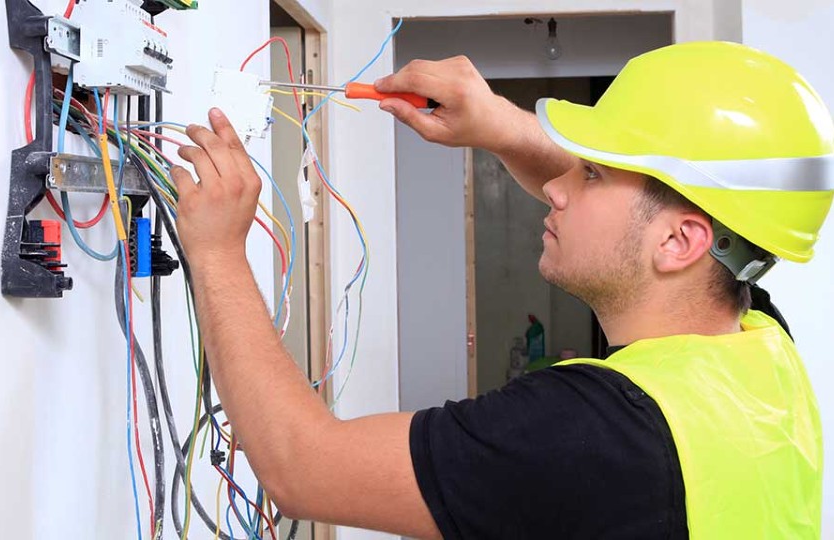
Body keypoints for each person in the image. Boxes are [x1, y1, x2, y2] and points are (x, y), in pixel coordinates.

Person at [170, 41, 834, 539]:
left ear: (681, 243)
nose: (557, 185)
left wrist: (220, 248)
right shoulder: (758, 349)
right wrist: (496, 123)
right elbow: (652, 212)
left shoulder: (592, 432)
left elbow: (299, 467)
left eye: (594, 174)